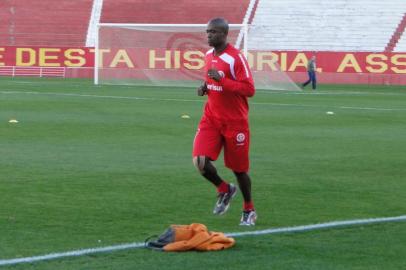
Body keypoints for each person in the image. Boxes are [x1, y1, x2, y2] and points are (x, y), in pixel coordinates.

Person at [192, 18, 257, 226]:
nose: (208, 35)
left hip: (235, 122)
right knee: (199, 161)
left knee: (239, 170)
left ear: (224, 34)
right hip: (211, 118)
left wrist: (222, 81)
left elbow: (249, 90)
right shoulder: (209, 55)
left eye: (213, 32)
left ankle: (249, 209)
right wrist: (206, 87)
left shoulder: (236, 58)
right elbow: (212, 81)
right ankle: (224, 189)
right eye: (207, 31)